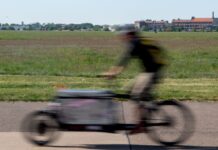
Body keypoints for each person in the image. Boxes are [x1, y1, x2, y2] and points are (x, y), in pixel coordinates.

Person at [103, 25, 166, 102]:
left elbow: (124, 60)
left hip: (153, 72)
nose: (122, 38)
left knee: (137, 94)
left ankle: (150, 108)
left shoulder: (136, 43)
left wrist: (113, 73)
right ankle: (147, 104)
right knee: (129, 91)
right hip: (148, 71)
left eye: (123, 35)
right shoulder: (140, 41)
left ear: (129, 34)